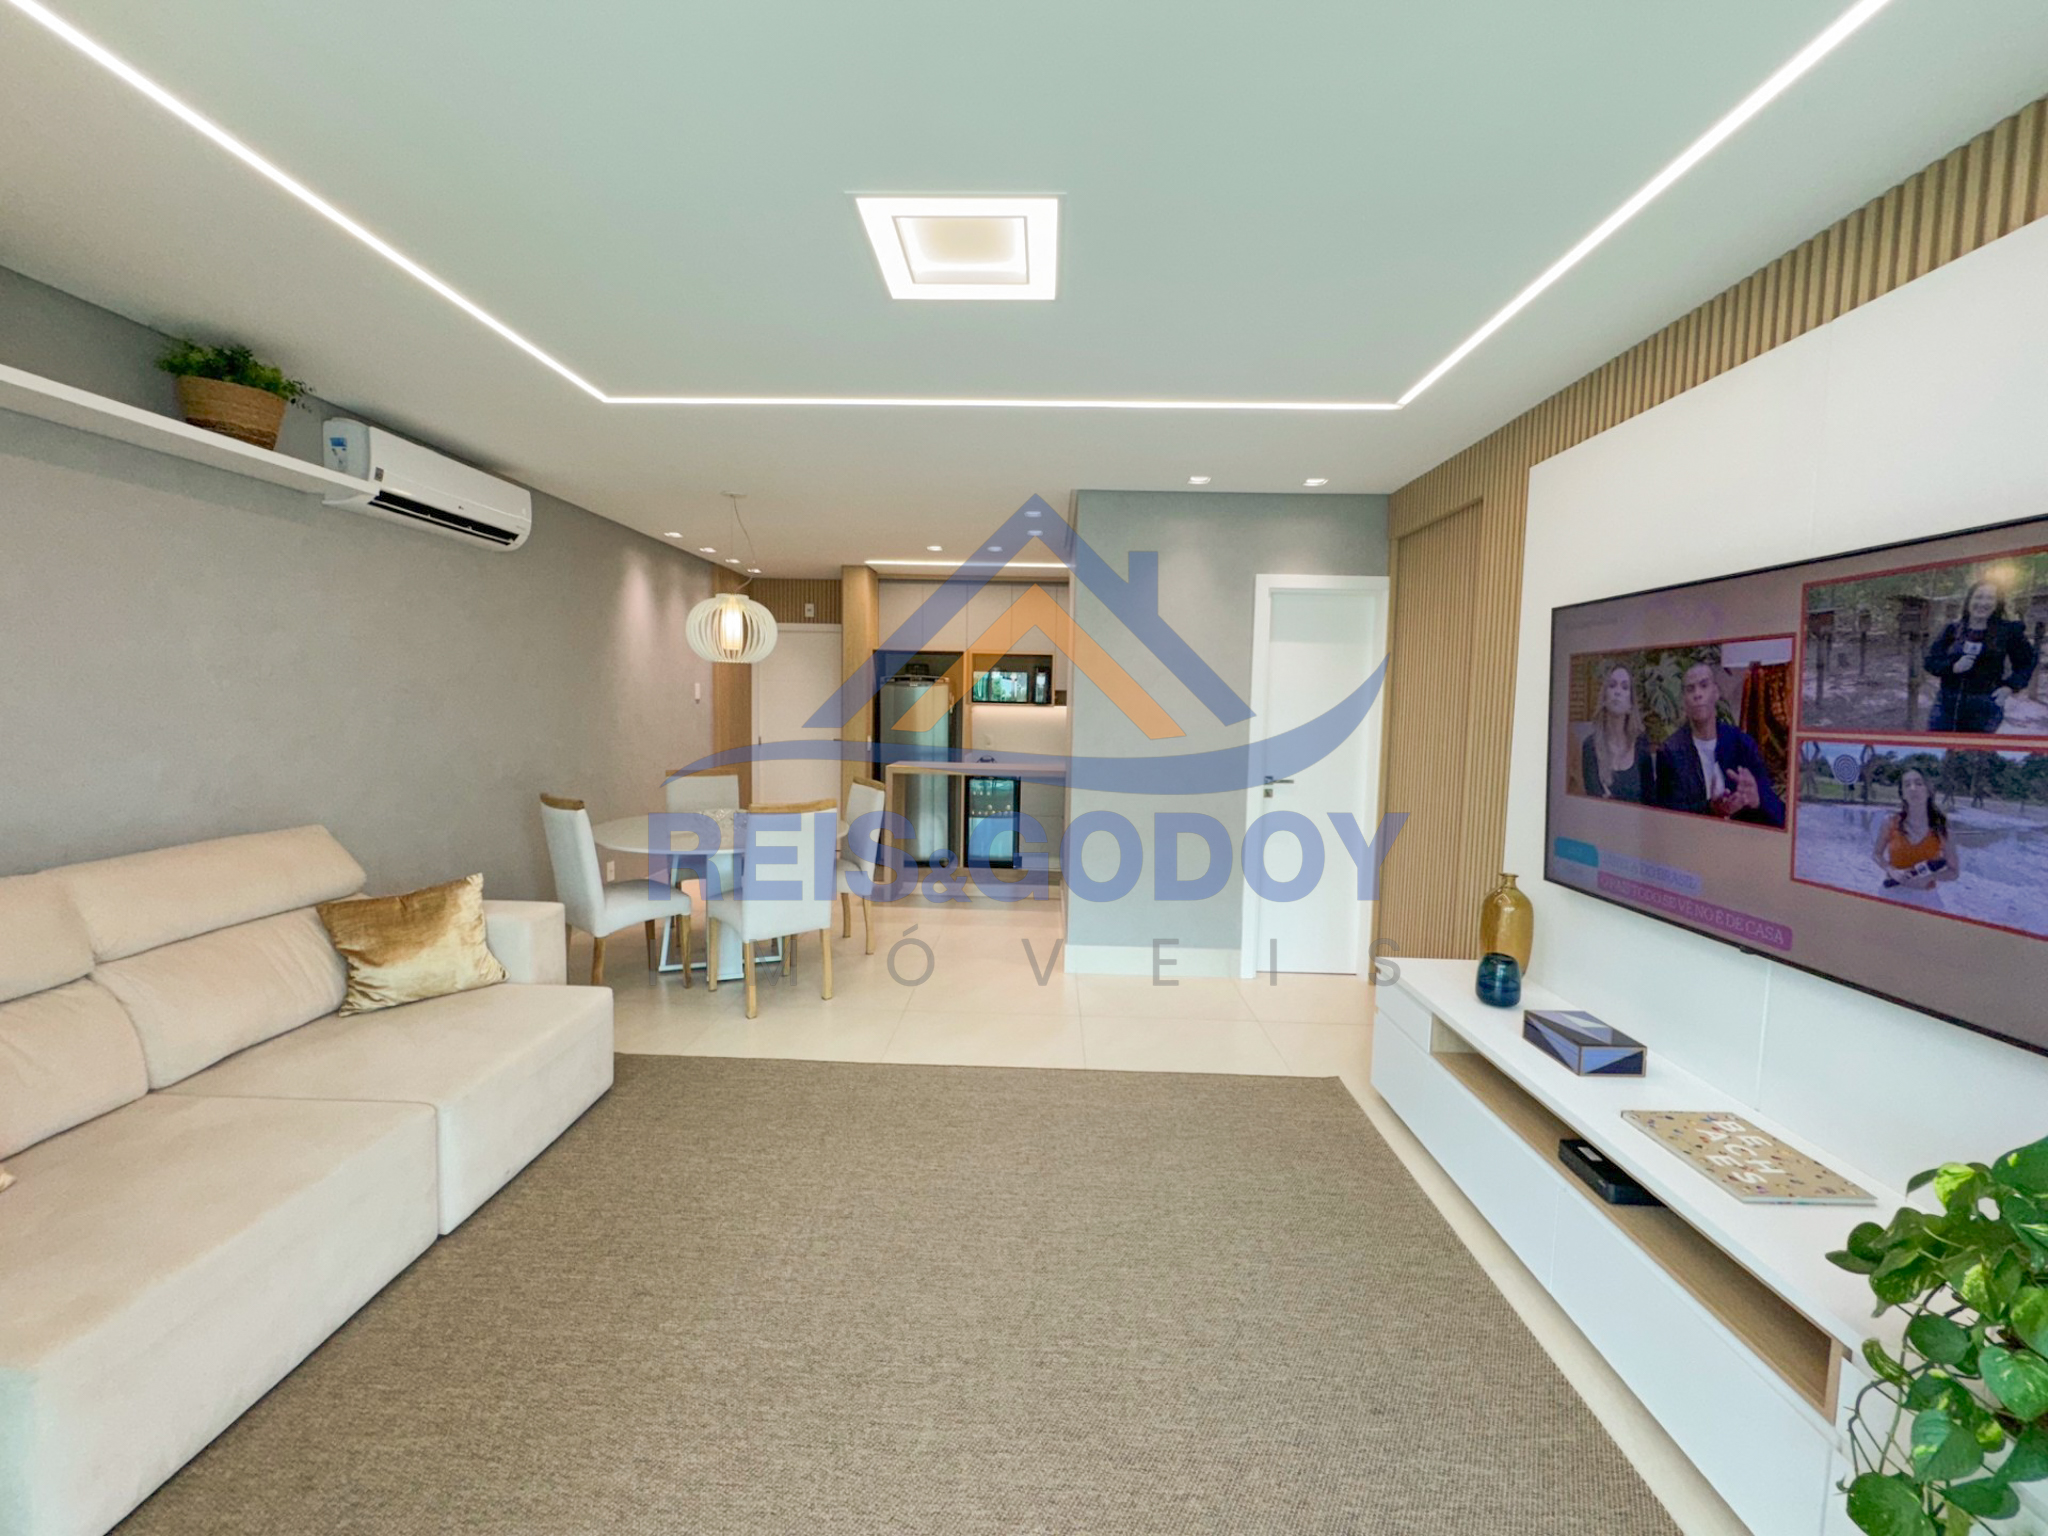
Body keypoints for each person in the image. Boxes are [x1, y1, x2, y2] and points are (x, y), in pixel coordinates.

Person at [1654, 662, 1786, 827]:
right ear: (1683, 700)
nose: (1697, 694)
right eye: (1690, 689)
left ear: (1716, 692)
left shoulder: (1742, 744)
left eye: (1704, 685)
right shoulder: (1670, 751)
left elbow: (1781, 816)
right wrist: (1711, 809)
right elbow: (1667, 818)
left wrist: (1758, 800)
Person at [1925, 578, 2036, 733]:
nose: (1983, 603)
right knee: (1940, 745)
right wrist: (1953, 667)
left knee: (1974, 748)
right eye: (1978, 597)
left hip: (1985, 707)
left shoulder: (2008, 631)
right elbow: (1930, 661)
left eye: (1990, 598)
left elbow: (2027, 662)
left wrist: (2010, 687)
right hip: (1945, 707)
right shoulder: (1952, 629)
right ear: (1969, 600)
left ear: (1997, 603)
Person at [1869, 767, 1958, 911]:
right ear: (1902, 794)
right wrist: (1891, 871)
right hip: (1891, 894)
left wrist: (1929, 877)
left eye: (1918, 783)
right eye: (1907, 785)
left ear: (1928, 790)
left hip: (1927, 899)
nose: (1913, 788)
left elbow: (1954, 872)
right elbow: (1876, 854)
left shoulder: (1942, 829)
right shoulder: (1890, 822)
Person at [1580, 664, 1656, 802]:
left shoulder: (1641, 744)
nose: (1617, 692)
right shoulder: (1590, 746)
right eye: (1612, 685)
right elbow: (1592, 798)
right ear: (1604, 698)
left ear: (1631, 704)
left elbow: (1650, 798)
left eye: (1624, 687)